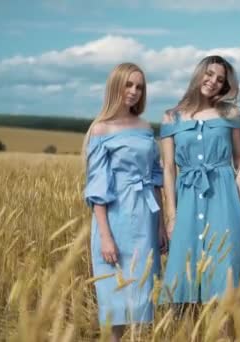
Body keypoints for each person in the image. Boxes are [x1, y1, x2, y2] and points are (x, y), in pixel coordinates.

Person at [159, 55, 240, 306]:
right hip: (187, 198)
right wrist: (171, 214)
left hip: (223, 196)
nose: (213, 82)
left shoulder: (229, 113)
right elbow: (168, 168)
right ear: (199, 74)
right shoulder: (171, 117)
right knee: (184, 267)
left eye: (220, 80)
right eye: (209, 74)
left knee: (225, 267)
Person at [83, 62, 163, 342]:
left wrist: (161, 226)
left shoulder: (144, 127)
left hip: (145, 218)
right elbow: (97, 189)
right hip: (114, 220)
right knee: (114, 303)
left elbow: (155, 178)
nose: (134, 91)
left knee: (142, 303)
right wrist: (105, 237)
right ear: (115, 87)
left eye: (139, 87)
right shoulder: (101, 130)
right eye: (128, 85)